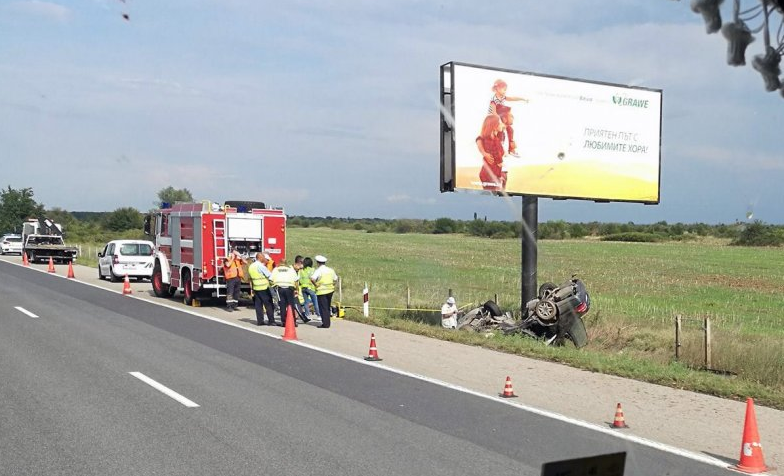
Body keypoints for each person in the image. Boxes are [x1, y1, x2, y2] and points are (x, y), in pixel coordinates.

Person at [488, 78, 528, 157]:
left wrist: (522, 99)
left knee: (510, 129)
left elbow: (512, 98)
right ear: (497, 89)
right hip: (493, 118)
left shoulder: (503, 97)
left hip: (500, 116)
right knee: (500, 133)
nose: (505, 91)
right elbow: (494, 112)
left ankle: (511, 149)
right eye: (504, 89)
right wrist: (500, 122)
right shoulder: (493, 99)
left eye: (506, 90)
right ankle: (498, 150)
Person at [270, 258, 307, 325]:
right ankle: (293, 321)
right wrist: (296, 289)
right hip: (290, 289)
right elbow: (296, 280)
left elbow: (271, 280)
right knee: (291, 305)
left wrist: (274, 287)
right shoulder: (290, 269)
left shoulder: (276, 269)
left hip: (280, 289)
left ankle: (284, 322)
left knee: (282, 305)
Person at [476, 114, 507, 192]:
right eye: (500, 123)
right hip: (491, 175)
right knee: (494, 197)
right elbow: (494, 152)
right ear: (493, 126)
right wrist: (500, 162)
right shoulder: (489, 140)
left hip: (496, 174)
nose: (502, 124)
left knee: (498, 196)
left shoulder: (496, 138)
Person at [248, 252, 277, 325]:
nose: (264, 258)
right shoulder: (260, 266)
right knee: (269, 304)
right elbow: (269, 275)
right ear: (260, 258)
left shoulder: (251, 266)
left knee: (258, 305)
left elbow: (250, 278)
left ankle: (260, 321)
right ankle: (271, 321)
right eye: (263, 257)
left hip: (256, 288)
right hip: (264, 288)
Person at [310, 254, 338, 329]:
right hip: (330, 290)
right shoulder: (330, 270)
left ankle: (325, 324)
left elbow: (312, 279)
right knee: (327, 307)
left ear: (318, 263)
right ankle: (327, 321)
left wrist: (316, 285)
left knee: (323, 307)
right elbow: (335, 279)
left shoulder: (319, 270)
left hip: (322, 291)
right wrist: (333, 285)